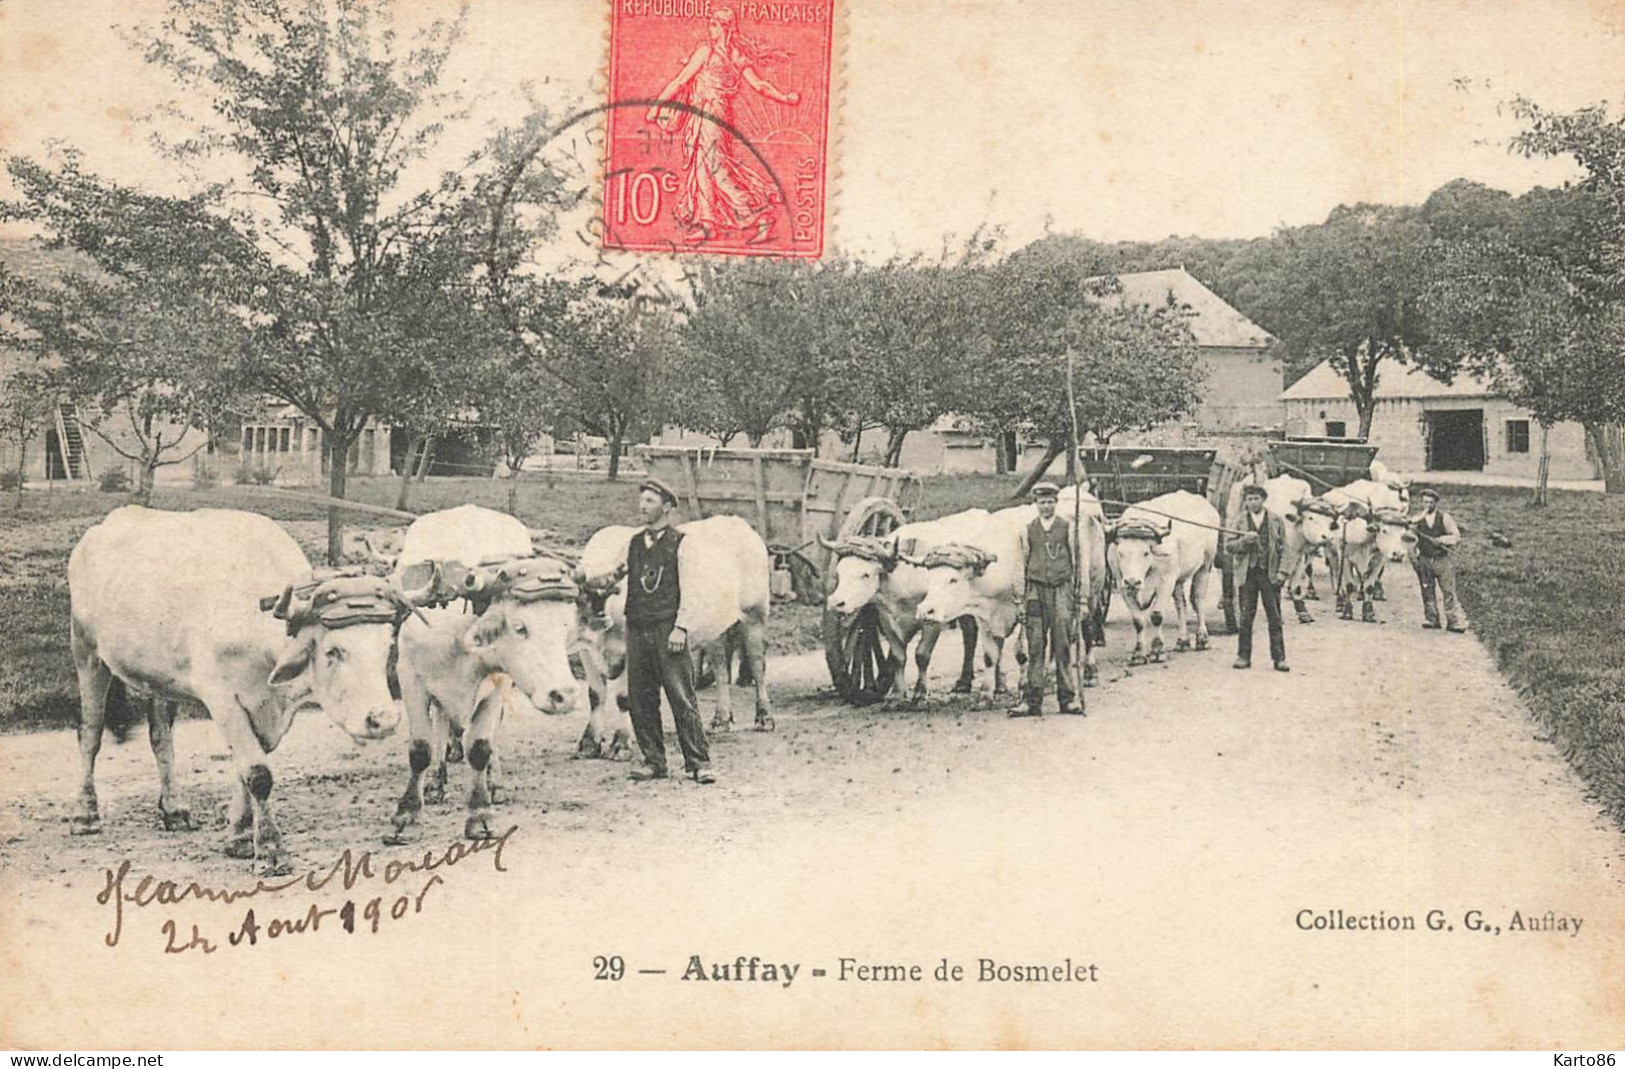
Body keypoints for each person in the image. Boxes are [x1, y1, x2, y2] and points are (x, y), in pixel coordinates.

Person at [645, 8, 802, 246]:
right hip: (718, 116)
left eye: (714, 25)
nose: (710, 29)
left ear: (725, 27)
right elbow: (761, 85)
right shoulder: (737, 56)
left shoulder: (706, 51)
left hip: (710, 115)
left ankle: (760, 215)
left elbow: (681, 80)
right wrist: (785, 98)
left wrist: (657, 107)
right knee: (702, 169)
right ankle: (707, 225)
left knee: (714, 168)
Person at [623, 477, 715, 784]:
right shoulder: (635, 543)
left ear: (666, 507)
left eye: (649, 501)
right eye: (642, 500)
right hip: (637, 627)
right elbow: (624, 578)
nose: (642, 506)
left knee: (681, 695)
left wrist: (681, 627)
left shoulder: (681, 543)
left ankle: (699, 762)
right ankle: (654, 762)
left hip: (667, 629)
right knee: (641, 698)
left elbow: (691, 589)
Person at [1011, 482, 1083, 717]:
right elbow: (1020, 565)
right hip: (1035, 592)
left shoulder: (1068, 528)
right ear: (1035, 504)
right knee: (1035, 645)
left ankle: (1067, 698)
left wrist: (1081, 599)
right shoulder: (1026, 531)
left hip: (1061, 590)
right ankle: (1032, 700)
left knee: (1062, 643)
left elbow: (1078, 563)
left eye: (1050, 502)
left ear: (1056, 503)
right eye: (1042, 502)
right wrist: (1019, 600)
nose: (1046, 506)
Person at [1226, 483, 1291, 673]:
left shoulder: (1276, 520)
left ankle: (1279, 659)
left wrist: (1282, 572)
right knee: (1246, 617)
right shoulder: (1239, 522)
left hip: (1270, 575)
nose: (1252, 502)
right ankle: (1243, 656)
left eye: (1256, 498)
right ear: (1245, 501)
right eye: (1249, 499)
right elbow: (1228, 546)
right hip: (1247, 575)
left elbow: (1286, 548)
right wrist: (1243, 542)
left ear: (1263, 500)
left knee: (1275, 617)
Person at [1410, 488, 1466, 633]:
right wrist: (1414, 557)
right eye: (1425, 502)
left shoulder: (1444, 517)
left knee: (1448, 590)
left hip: (1442, 559)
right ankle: (1432, 619)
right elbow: (1410, 536)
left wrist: (1441, 540)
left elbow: (1456, 536)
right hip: (1425, 558)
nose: (1427, 505)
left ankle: (1453, 622)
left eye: (1430, 502)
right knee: (1427, 589)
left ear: (1436, 503)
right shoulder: (1417, 519)